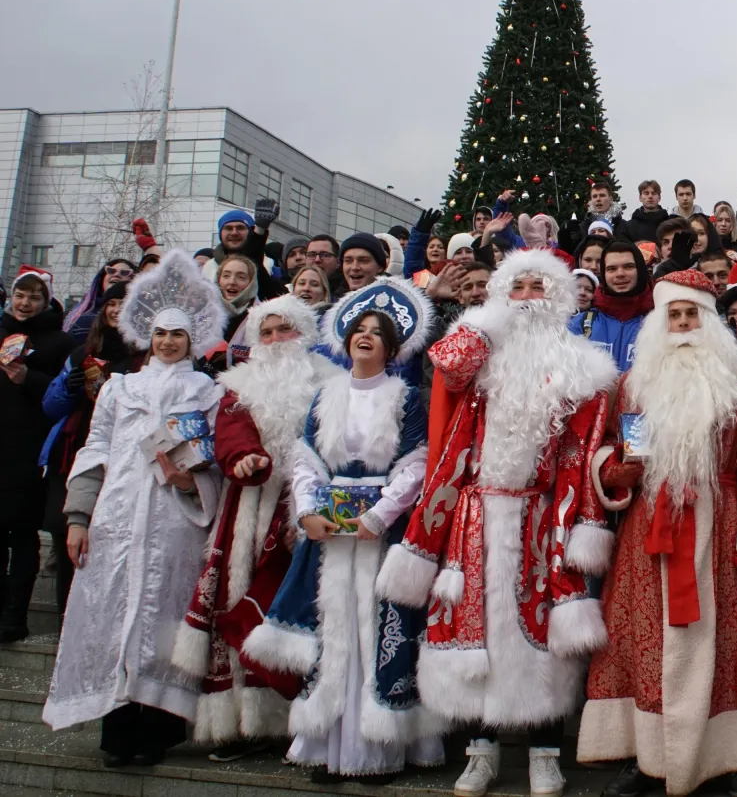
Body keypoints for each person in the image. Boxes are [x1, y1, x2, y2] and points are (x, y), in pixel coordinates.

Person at [373, 250, 619, 797]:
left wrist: (580, 521)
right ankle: (480, 750)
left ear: (559, 297)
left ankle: (544, 752)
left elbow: (582, 450)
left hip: (542, 517)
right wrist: (490, 312)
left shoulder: (585, 365)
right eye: (520, 284)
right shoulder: (480, 348)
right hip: (474, 513)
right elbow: (447, 363)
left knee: (544, 632)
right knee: (474, 628)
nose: (530, 294)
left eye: (540, 285)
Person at [578, 270, 737, 797]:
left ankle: (733, 754)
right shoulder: (631, 385)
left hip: (719, 524)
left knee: (729, 640)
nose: (682, 323)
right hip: (649, 526)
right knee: (641, 639)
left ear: (711, 319)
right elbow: (604, 455)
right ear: (658, 321)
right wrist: (623, 466)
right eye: (673, 314)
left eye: (691, 313)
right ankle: (644, 753)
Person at [242, 277, 443, 783]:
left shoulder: (406, 397)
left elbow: (417, 463)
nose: (366, 336)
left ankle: (379, 747)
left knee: (380, 629)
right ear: (347, 338)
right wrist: (306, 510)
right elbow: (306, 460)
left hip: (381, 533)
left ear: (392, 346)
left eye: (378, 332)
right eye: (360, 329)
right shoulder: (325, 395)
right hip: (329, 533)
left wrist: (380, 515)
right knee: (334, 628)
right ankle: (328, 742)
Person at [43, 252, 226, 767]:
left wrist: (193, 481)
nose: (169, 342)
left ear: (193, 340)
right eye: (162, 333)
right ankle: (116, 731)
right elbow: (94, 451)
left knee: (163, 622)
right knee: (112, 616)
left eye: (179, 335)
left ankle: (157, 730)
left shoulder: (207, 392)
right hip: (117, 523)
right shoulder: (120, 389)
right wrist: (77, 518)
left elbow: (214, 464)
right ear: (148, 335)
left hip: (175, 528)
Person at [173, 294, 338, 758]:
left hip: (313, 506)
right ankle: (243, 725)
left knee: (308, 610)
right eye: (265, 332)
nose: (275, 340)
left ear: (304, 333)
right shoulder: (237, 384)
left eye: (284, 329)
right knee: (240, 600)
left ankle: (301, 722)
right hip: (250, 506)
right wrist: (242, 457)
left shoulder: (331, 383)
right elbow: (231, 431)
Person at [39, 282, 133, 617]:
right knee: (66, 529)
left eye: (125, 303)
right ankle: (66, 615)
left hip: (119, 453)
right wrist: (68, 387)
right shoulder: (81, 351)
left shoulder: (142, 357)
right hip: (73, 451)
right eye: (111, 303)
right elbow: (50, 406)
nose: (116, 309)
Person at [1, 266, 77, 640]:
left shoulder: (59, 343)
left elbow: (64, 396)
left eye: (34, 297)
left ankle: (15, 617)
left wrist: (27, 378)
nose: (25, 303)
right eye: (20, 295)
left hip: (29, 454)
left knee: (22, 536)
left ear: (46, 301)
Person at [572, 240, 654, 371]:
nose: (620, 274)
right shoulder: (582, 323)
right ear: (603, 274)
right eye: (611, 269)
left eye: (628, 267)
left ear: (640, 270)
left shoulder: (658, 321)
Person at [63, 258, 134, 342]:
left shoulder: (138, 320)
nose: (117, 274)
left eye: (124, 272)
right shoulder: (80, 316)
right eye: (111, 271)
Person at [216, 254, 260, 345]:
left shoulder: (262, 316)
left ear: (251, 283)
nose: (232, 282)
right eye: (226, 276)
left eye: (241, 277)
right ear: (218, 280)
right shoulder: (204, 312)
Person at [627, 180, 670, 244]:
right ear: (640, 198)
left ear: (659, 197)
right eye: (646, 193)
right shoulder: (629, 226)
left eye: (654, 193)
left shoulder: (669, 223)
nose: (650, 196)